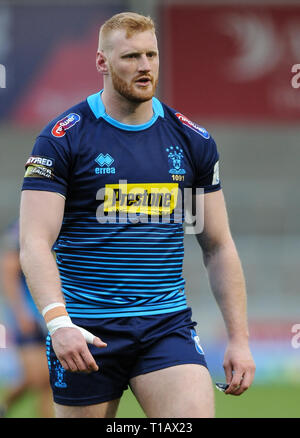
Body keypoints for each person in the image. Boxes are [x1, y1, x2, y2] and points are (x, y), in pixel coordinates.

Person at [19, 12, 255, 418]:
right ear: (102, 63)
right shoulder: (62, 138)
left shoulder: (192, 141)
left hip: (166, 326)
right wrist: (59, 323)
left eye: (152, 54)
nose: (145, 66)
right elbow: (34, 243)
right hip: (86, 331)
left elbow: (217, 245)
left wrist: (239, 338)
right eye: (130, 56)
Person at [0, 220, 53, 418]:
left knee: (46, 380)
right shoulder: (22, 227)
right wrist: (20, 313)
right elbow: (9, 271)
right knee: (38, 378)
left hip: (49, 314)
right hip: (28, 316)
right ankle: (4, 406)